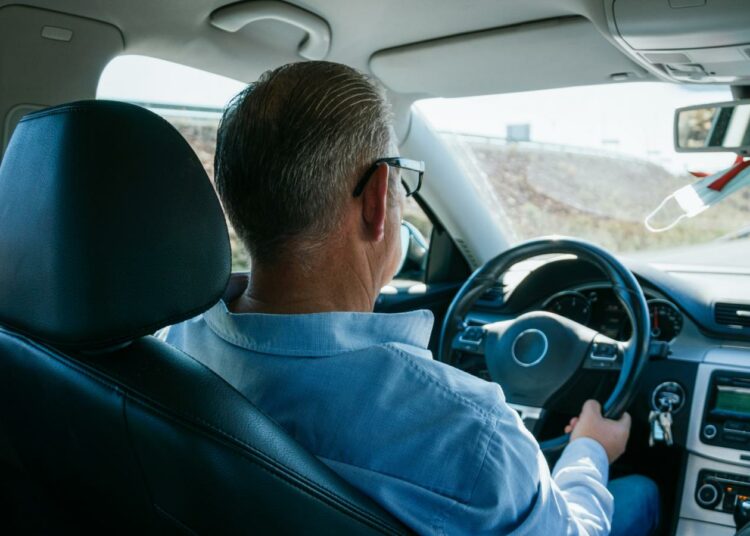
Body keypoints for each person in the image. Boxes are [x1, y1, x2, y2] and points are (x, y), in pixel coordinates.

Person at [163, 61, 660, 535]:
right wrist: (590, 450)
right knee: (642, 492)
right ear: (378, 198)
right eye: (403, 180)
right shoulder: (469, 432)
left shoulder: (172, 345)